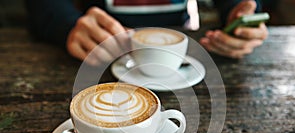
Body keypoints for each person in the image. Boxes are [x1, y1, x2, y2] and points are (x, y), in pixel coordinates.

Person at [25, 0, 268, 64]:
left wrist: (240, 14)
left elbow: (236, 4)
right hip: (100, 49)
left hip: (180, 48)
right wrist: (67, 24)